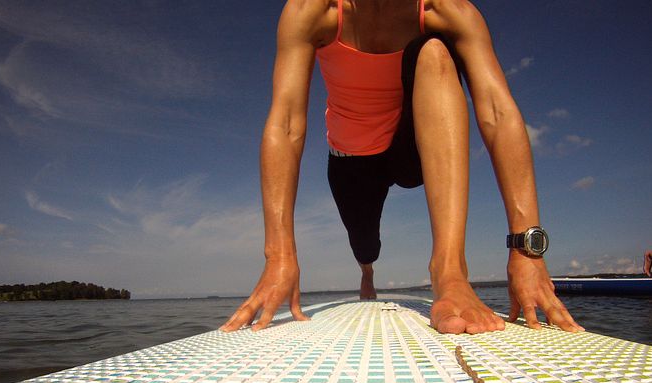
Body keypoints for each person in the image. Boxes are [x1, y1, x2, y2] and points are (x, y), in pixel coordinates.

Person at [221, 0, 583, 334]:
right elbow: (285, 124)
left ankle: (450, 272)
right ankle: (367, 272)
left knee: (436, 51)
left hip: (410, 148)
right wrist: (279, 256)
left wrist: (527, 252)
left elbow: (498, 113)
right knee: (365, 244)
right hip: (351, 160)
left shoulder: (449, 11)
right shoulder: (313, 11)